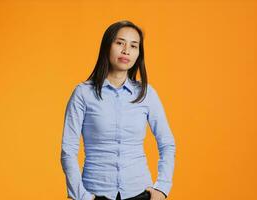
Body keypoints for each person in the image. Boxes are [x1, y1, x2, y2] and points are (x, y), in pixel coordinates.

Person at [60, 20, 176, 200]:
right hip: (94, 192)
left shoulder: (146, 93)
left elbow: (167, 143)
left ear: (139, 53)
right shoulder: (83, 93)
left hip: (139, 193)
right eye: (120, 43)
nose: (126, 51)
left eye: (133, 46)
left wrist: (162, 188)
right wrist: (81, 196)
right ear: (107, 46)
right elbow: (68, 150)